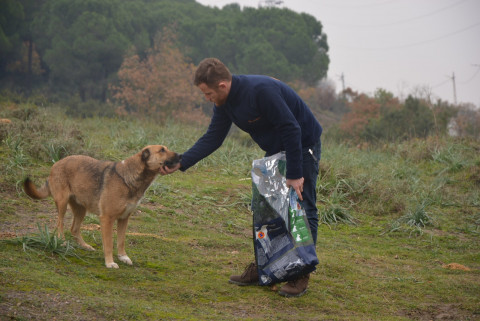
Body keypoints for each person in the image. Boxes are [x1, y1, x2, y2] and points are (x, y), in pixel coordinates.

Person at [160, 57, 322, 297]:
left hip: (302, 145)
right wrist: (183, 161)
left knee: (302, 207)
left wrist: (296, 174)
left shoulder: (261, 91)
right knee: (267, 209)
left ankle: (300, 273)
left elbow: (291, 128)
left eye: (207, 93)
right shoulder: (224, 104)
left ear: (222, 86)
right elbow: (213, 138)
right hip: (276, 149)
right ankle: (267, 267)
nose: (207, 99)